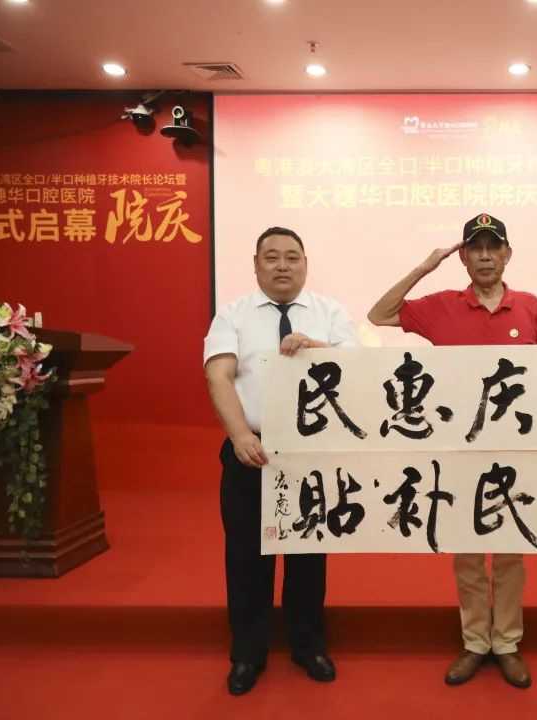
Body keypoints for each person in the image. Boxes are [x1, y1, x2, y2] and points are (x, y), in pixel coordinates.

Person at [367, 212, 537, 689]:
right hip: (457, 451)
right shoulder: (441, 306)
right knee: (468, 555)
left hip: (514, 450)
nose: (485, 257)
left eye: (493, 248)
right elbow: (379, 314)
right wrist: (424, 268)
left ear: (508, 254)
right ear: (464, 258)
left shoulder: (529, 306)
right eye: (476, 249)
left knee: (509, 552)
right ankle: (475, 642)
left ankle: (506, 643)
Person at [203, 226, 359, 695]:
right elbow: (218, 375)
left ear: (305, 264)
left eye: (292, 257)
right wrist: (239, 435)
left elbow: (359, 370)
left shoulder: (330, 313)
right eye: (271, 257)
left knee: (308, 553)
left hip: (312, 452)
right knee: (246, 555)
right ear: (256, 265)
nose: (282, 265)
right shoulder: (233, 314)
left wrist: (315, 348)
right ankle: (248, 653)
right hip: (251, 449)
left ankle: (308, 645)